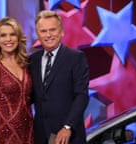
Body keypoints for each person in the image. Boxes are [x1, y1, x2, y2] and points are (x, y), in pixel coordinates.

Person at [29, 10, 89, 144]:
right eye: (43, 31)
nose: (48, 35)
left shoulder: (76, 58)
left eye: (52, 30)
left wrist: (67, 126)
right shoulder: (33, 61)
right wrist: (6, 107)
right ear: (38, 34)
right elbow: (30, 96)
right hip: (41, 135)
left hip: (68, 136)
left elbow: (82, 96)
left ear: (61, 31)